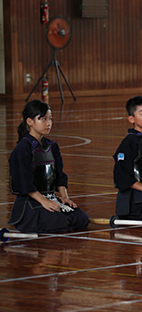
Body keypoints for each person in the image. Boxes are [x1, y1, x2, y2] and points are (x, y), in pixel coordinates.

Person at [8, 100, 89, 233]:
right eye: (43, 119)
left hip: (51, 197)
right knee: (61, 223)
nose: (48, 123)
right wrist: (44, 201)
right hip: (31, 202)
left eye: (50, 119)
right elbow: (23, 181)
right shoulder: (22, 148)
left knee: (80, 219)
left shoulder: (52, 146)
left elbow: (60, 175)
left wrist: (64, 198)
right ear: (29, 122)